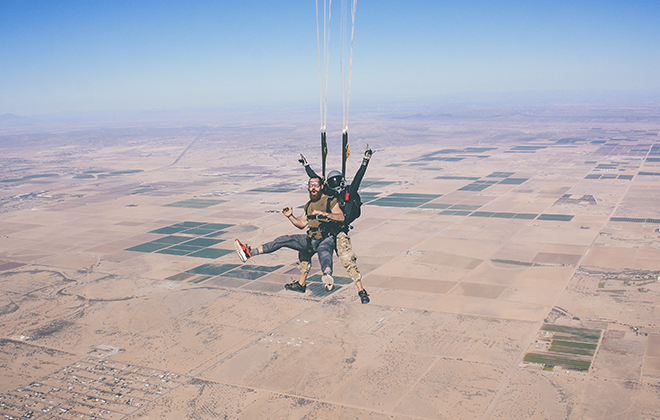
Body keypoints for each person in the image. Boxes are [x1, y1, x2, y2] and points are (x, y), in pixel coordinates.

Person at [234, 177, 344, 293]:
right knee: (283, 240)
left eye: (316, 185)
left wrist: (324, 214)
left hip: (326, 238)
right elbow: (302, 224)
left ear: (322, 187)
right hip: (310, 239)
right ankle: (249, 253)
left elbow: (341, 217)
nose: (313, 187)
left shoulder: (330, 201)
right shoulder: (309, 205)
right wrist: (290, 216)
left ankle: (327, 276)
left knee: (324, 252)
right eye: (310, 185)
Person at [298, 145, 373, 304]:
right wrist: (306, 167)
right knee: (306, 252)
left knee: (347, 258)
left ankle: (361, 290)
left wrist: (365, 161)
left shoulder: (348, 193)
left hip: (339, 231)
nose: (336, 185)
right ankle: (301, 283)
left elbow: (358, 178)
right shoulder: (330, 193)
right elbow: (316, 179)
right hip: (326, 231)